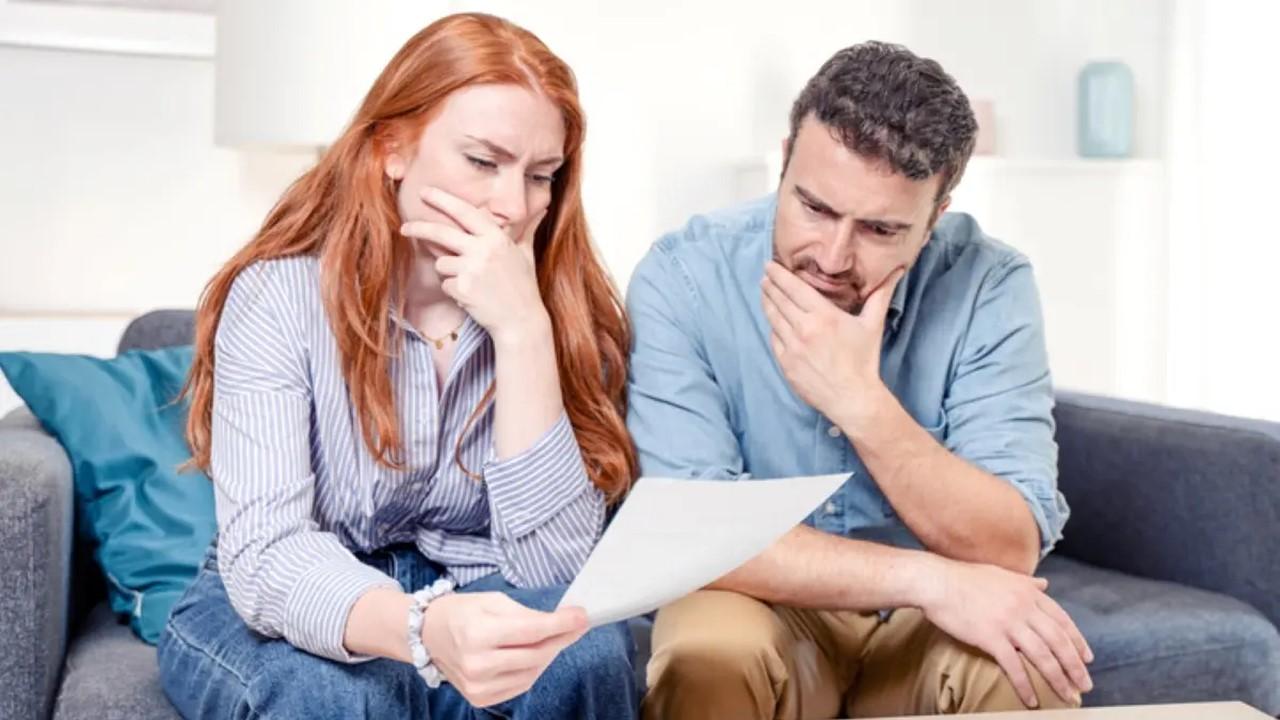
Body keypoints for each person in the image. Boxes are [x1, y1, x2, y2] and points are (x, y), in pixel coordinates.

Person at [157, 12, 638, 719]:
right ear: (392, 148)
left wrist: (524, 333)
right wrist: (423, 630)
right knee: (325, 696)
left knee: (588, 659)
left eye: (541, 176)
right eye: (483, 161)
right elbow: (267, 555)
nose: (513, 207)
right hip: (298, 595)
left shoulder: (559, 314)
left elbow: (556, 577)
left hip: (482, 588)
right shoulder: (278, 297)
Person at [628, 41, 1092, 719]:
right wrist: (928, 580)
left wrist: (860, 402)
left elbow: (1009, 545)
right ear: (784, 161)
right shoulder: (684, 278)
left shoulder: (989, 284)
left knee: (1031, 665)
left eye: (879, 228)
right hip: (767, 605)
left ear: (935, 216)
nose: (833, 256)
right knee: (706, 655)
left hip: (923, 632)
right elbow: (694, 535)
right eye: (814, 208)